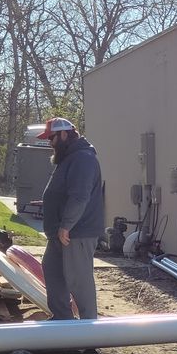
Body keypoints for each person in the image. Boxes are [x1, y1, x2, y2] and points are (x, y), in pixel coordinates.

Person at [37, 117, 106, 320]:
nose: (50, 142)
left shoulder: (83, 158)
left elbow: (79, 196)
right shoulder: (68, 158)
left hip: (77, 233)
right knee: (52, 270)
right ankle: (62, 321)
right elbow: (65, 193)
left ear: (65, 134)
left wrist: (66, 225)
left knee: (79, 281)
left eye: (52, 138)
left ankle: (88, 332)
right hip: (62, 232)